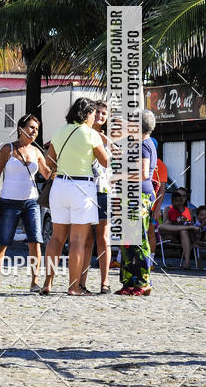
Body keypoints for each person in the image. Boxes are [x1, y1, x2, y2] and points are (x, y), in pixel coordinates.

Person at [42, 97, 110, 295]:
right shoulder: (91, 134)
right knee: (78, 241)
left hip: (60, 186)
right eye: (92, 114)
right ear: (87, 114)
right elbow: (105, 162)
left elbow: (49, 162)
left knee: (56, 239)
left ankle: (48, 283)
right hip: (82, 186)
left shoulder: (59, 132)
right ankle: (74, 287)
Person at [0, 114, 51, 292]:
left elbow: (47, 174)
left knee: (35, 241)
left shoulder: (37, 152)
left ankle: (34, 282)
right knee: (2, 242)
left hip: (31, 202)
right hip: (9, 201)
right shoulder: (7, 149)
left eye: (36, 129)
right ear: (20, 128)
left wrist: (58, 167)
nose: (34, 132)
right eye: (31, 127)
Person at [117, 109, 158, 294]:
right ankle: (129, 282)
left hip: (138, 195)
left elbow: (142, 173)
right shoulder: (144, 143)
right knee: (128, 241)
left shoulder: (143, 146)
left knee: (138, 240)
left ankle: (142, 282)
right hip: (134, 195)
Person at [81, 100, 112, 293]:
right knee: (85, 239)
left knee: (103, 238)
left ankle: (105, 282)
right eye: (97, 112)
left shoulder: (109, 139)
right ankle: (81, 282)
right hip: (84, 190)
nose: (100, 116)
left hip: (103, 191)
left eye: (103, 113)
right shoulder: (83, 134)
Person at [159, 190, 197, 270]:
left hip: (184, 235)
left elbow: (190, 223)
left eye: (183, 196)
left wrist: (186, 223)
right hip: (171, 233)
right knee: (162, 226)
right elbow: (166, 224)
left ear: (186, 198)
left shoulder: (188, 210)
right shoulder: (168, 208)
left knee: (184, 231)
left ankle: (187, 262)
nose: (181, 198)